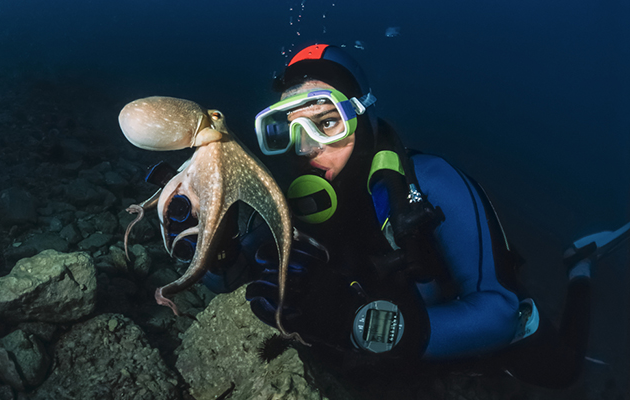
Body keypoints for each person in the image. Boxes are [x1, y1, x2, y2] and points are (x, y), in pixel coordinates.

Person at [192, 44, 628, 389]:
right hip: (402, 341)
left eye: (326, 123)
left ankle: (580, 265)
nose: (304, 148)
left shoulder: (431, 181)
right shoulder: (287, 196)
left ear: (361, 117)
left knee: (562, 373)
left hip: (460, 327)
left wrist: (355, 326)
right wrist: (215, 245)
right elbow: (228, 279)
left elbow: (498, 312)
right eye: (285, 128)